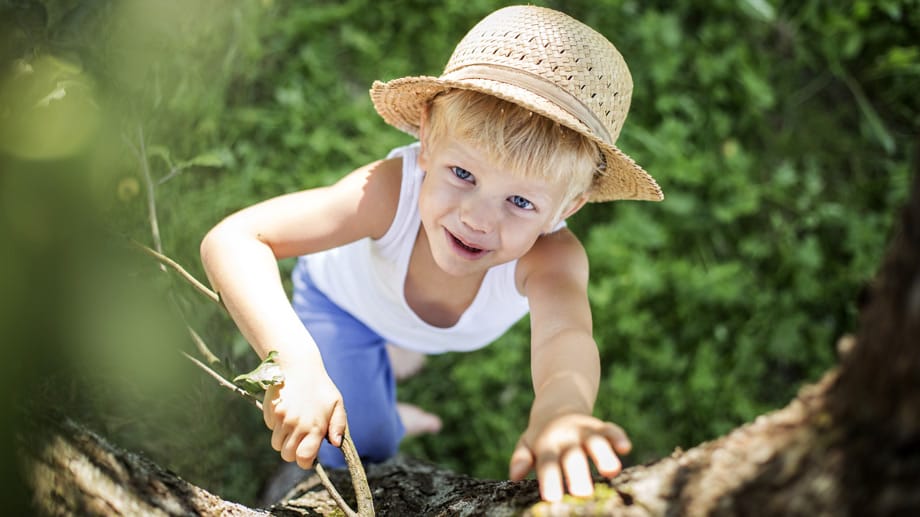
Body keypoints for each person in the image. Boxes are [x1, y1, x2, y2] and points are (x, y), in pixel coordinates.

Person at [200, 5, 663, 503]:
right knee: (364, 440)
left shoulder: (552, 259)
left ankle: (390, 364)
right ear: (426, 143)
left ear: (566, 207)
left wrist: (562, 411)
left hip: (397, 310)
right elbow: (234, 239)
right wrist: (296, 362)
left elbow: (566, 338)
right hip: (344, 305)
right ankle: (377, 412)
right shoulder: (388, 194)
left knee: (380, 366)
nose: (479, 220)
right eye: (463, 175)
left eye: (521, 202)